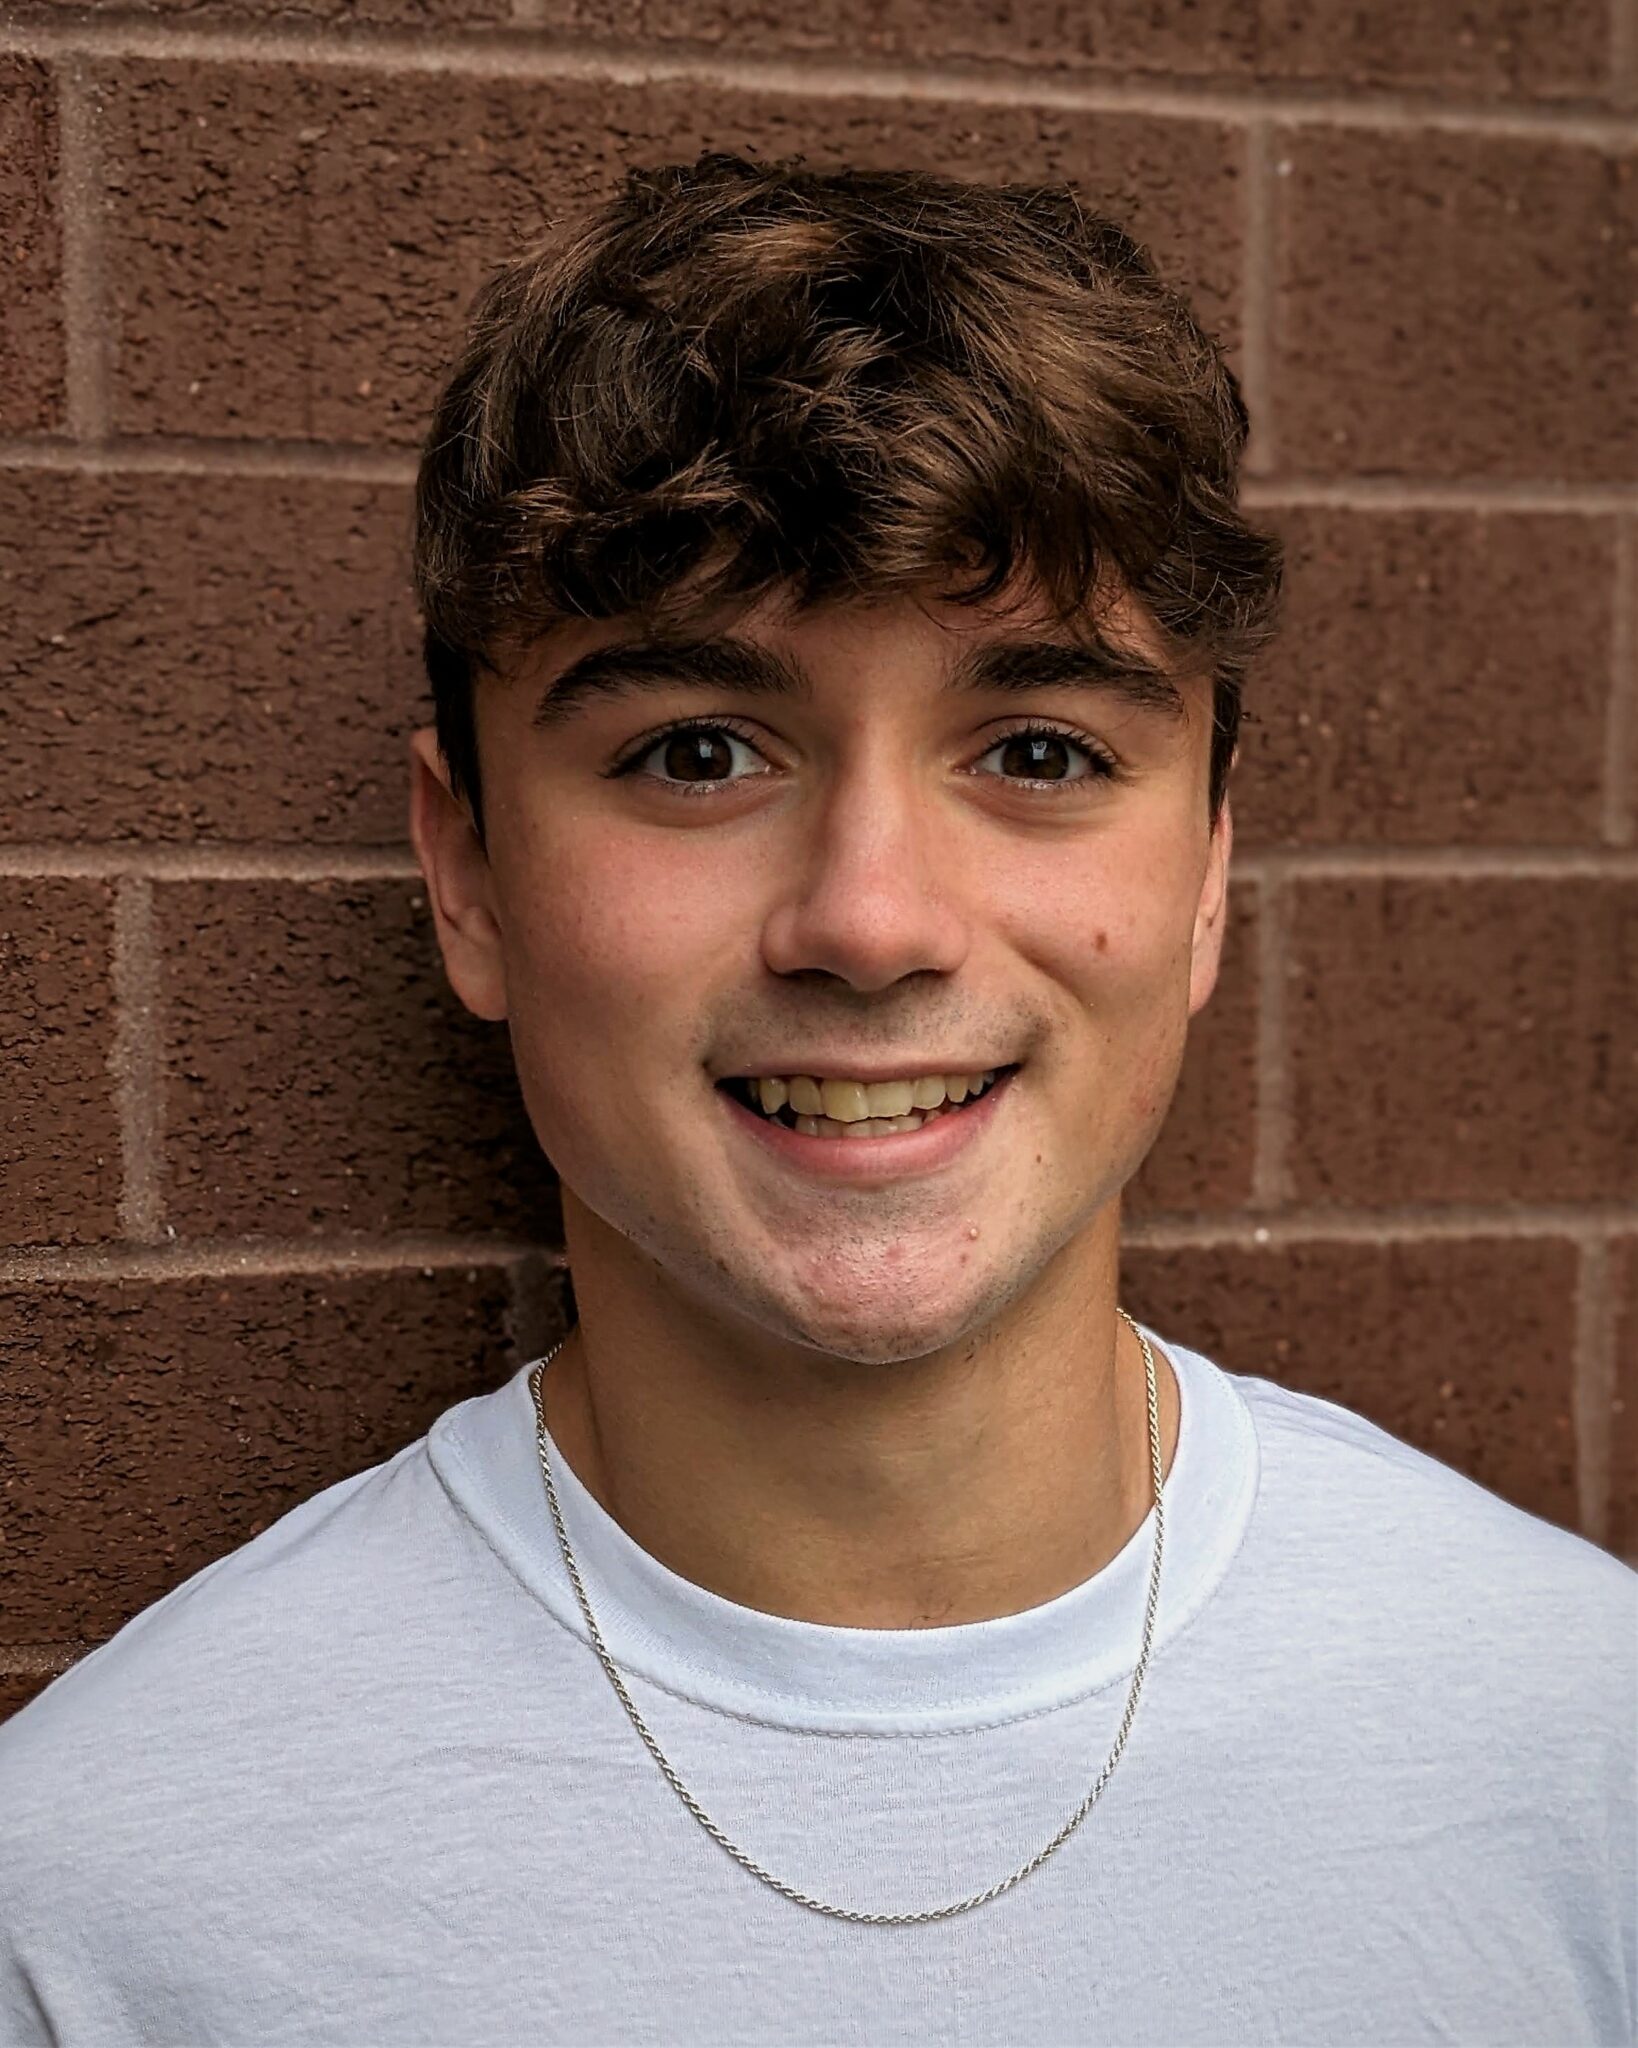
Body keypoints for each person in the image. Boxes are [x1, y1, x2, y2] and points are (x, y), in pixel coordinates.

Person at [1, 151, 1631, 2048]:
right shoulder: (103, 1907)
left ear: (1204, 875)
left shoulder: (1583, 1760)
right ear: (468, 877)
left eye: (1037, 751)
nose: (869, 921)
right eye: (698, 752)